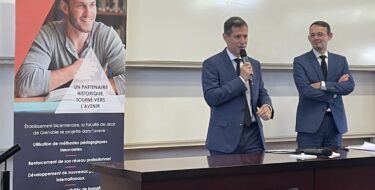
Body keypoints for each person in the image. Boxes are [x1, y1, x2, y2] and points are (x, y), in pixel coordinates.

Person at [15, 0, 126, 98]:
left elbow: (132, 79)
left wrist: (95, 88)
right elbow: (24, 85)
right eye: (80, 6)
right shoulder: (47, 34)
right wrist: (73, 71)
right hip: (53, 118)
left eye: (92, 5)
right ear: (65, 8)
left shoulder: (106, 35)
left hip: (93, 116)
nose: (88, 14)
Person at [201, 16, 274, 155]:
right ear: (225, 37)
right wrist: (241, 80)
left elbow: (261, 92)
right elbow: (212, 97)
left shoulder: (254, 64)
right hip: (225, 139)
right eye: (237, 37)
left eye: (245, 36)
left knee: (258, 176)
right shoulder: (212, 64)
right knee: (226, 177)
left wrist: (267, 106)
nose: (243, 42)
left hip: (254, 135)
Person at [293, 21, 355, 149]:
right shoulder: (300, 61)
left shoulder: (340, 61)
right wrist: (335, 93)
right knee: (307, 167)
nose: (316, 38)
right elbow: (305, 91)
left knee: (334, 167)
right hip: (309, 126)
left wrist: (323, 85)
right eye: (312, 35)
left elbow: (349, 86)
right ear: (309, 38)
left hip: (335, 124)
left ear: (329, 36)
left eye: (320, 34)